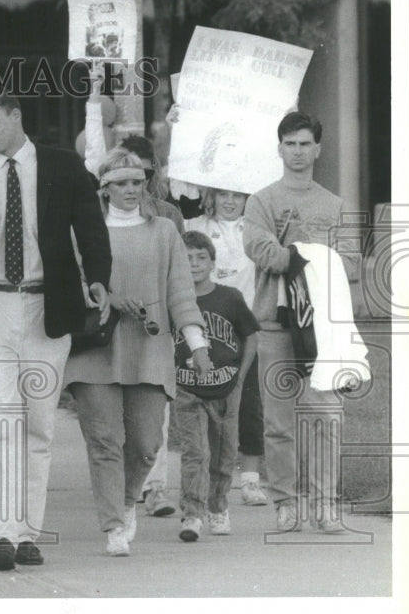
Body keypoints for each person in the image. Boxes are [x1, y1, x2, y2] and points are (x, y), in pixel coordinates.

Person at [0, 91, 112, 571]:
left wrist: (99, 278)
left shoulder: (62, 166)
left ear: (16, 117)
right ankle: (2, 534)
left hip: (47, 308)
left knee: (37, 424)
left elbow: (91, 228)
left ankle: (28, 533)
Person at [64, 149, 210, 557]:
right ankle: (112, 525)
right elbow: (66, 283)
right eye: (121, 183)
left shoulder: (164, 231)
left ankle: (128, 499)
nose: (130, 190)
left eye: (137, 182)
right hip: (95, 350)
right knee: (105, 440)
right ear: (104, 187)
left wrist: (198, 346)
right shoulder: (83, 230)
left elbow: (181, 292)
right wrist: (104, 294)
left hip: (149, 348)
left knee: (147, 443)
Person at [243, 111, 360, 533]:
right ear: (279, 148)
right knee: (279, 422)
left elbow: (349, 262)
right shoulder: (262, 201)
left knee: (326, 416)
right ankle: (286, 503)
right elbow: (262, 252)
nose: (297, 151)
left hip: (323, 329)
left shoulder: (334, 204)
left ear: (318, 149)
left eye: (305, 143)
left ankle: (326, 504)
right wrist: (310, 252)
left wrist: (295, 251)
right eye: (290, 143)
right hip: (275, 325)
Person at [174, 231, 259, 541]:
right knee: (195, 452)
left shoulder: (229, 297)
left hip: (225, 388)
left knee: (224, 453)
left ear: (212, 263)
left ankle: (218, 507)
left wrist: (241, 376)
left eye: (200, 258)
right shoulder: (174, 299)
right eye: (186, 258)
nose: (193, 264)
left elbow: (250, 335)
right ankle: (192, 514)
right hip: (187, 388)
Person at [186, 186, 268, 505]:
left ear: (247, 198)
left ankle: (249, 480)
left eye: (237, 195)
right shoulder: (195, 226)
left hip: (242, 324)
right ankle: (205, 477)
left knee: (248, 402)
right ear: (212, 197)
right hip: (203, 321)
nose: (230, 202)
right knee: (202, 401)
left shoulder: (256, 229)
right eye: (223, 195)